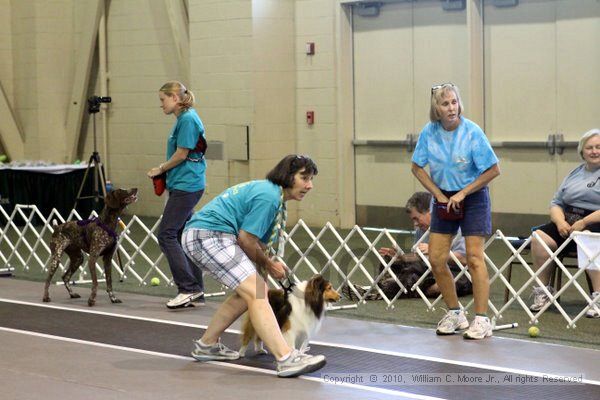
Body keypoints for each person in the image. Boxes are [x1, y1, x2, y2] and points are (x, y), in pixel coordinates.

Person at [180, 155, 327, 378]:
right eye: (304, 178)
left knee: (252, 293)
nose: (310, 185)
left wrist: (271, 260)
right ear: (288, 177)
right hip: (209, 236)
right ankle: (286, 358)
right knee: (258, 293)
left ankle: (207, 344)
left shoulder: (271, 194)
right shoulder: (269, 197)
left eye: (311, 179)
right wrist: (268, 263)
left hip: (209, 235)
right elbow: (246, 239)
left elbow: (256, 241)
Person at [411, 83, 500, 339]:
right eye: (445, 104)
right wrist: (437, 194)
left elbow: (493, 169)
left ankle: (482, 319)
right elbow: (416, 167)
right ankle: (455, 313)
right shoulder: (429, 133)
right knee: (437, 258)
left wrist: (463, 193)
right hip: (443, 198)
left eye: (454, 102)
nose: (451, 108)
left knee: (474, 258)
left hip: (472, 197)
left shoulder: (472, 132)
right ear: (436, 109)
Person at [147, 81, 206, 309]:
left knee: (166, 234)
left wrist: (160, 169)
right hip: (183, 184)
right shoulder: (184, 119)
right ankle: (197, 292)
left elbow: (181, 154)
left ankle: (188, 288)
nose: (161, 105)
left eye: (163, 100)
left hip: (187, 185)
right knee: (184, 236)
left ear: (174, 97)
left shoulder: (188, 120)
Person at [529, 128, 600, 318]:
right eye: (590, 148)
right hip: (568, 221)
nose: (594, 151)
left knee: (589, 238)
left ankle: (597, 298)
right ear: (582, 152)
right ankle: (543, 292)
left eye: (598, 147)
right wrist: (560, 222)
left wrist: (584, 222)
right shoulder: (574, 173)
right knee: (539, 238)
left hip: (594, 222)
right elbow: (556, 203)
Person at [362, 191, 470, 300]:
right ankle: (404, 287)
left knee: (446, 284)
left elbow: (464, 259)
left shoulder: (457, 227)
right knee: (393, 262)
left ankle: (395, 288)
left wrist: (435, 251)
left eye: (416, 218)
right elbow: (419, 257)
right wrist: (403, 258)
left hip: (456, 271)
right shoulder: (421, 230)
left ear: (430, 212)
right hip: (428, 270)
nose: (415, 224)